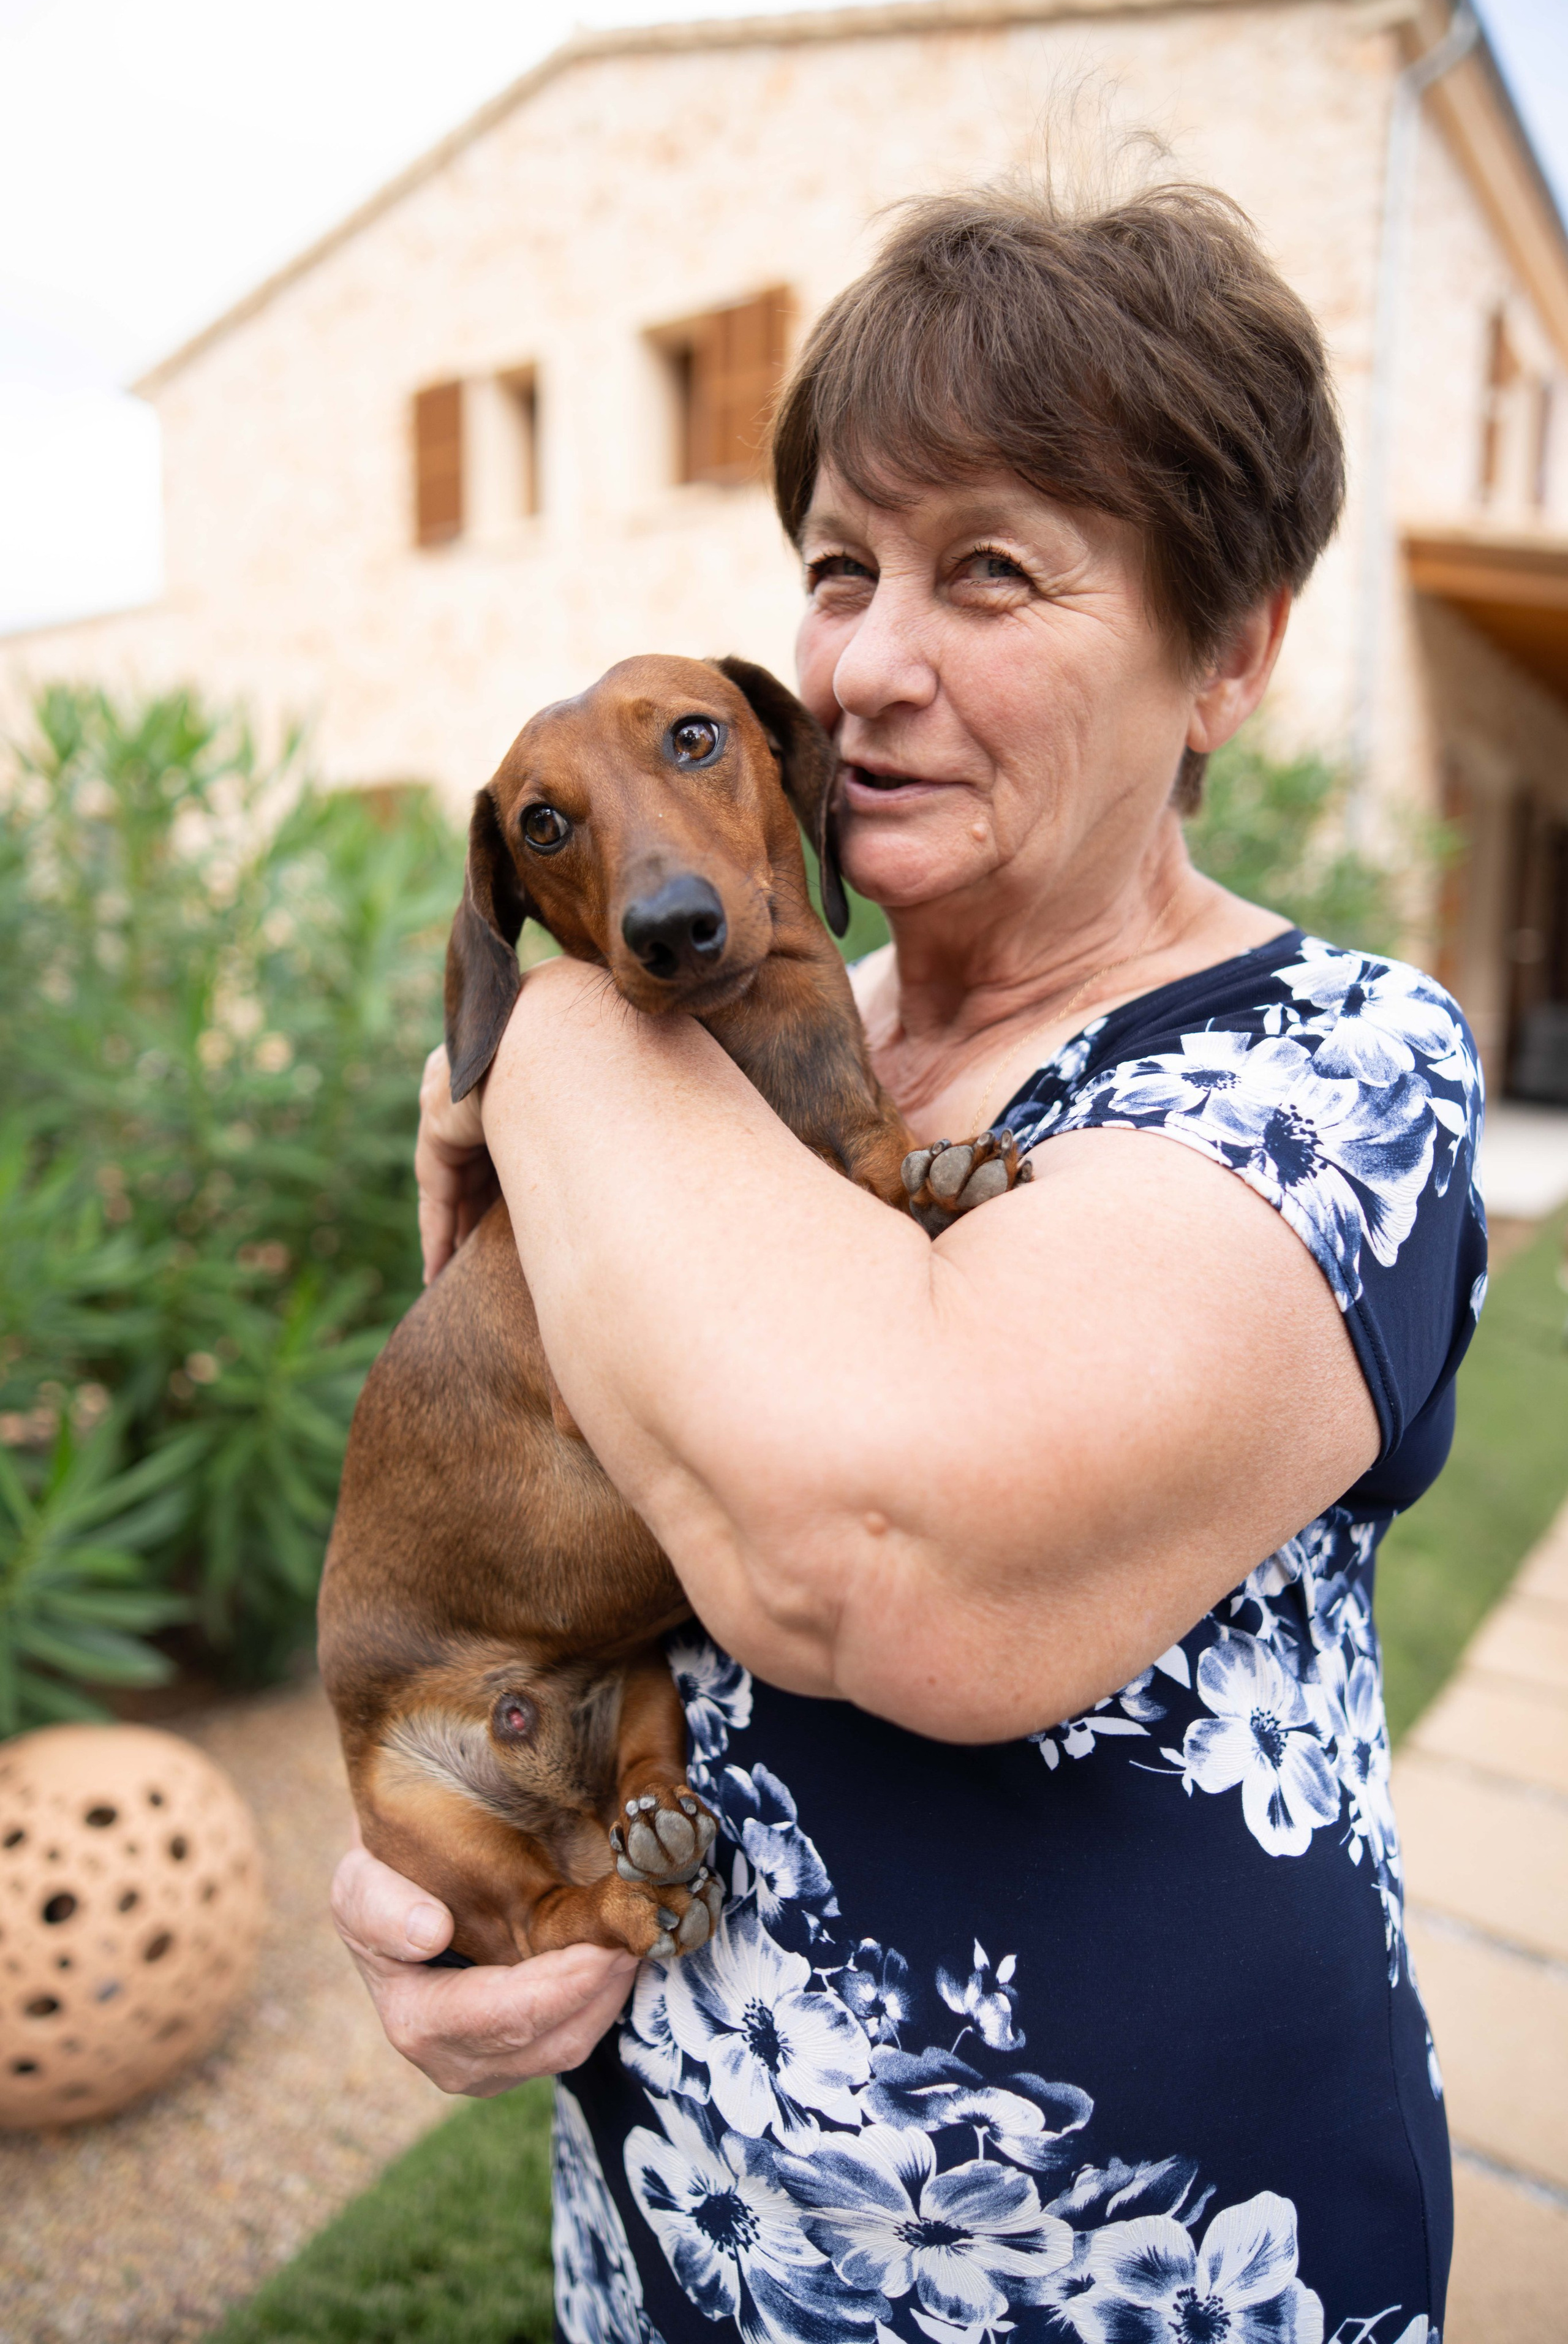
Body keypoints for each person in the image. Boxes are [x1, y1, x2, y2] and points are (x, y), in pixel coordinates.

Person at [333, 180, 1482, 2341]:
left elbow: (879, 1555)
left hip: (1132, 2268)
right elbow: (526, 1504)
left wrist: (546, 1039)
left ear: (1231, 653)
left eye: (991, 573)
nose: (862, 665)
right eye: (841, 570)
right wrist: (451, 1844)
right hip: (679, 2249)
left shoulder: (1338, 1071)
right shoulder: (760, 1050)